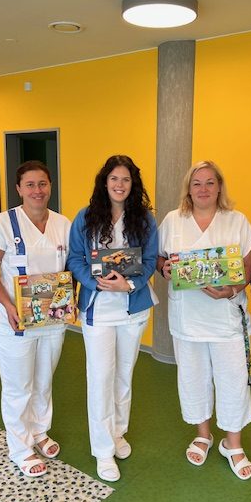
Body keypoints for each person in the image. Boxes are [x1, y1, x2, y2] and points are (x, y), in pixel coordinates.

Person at [158, 161, 251, 480]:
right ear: (188, 188)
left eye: (210, 182)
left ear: (219, 186)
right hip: (187, 318)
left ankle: (233, 443)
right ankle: (203, 435)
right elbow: (158, 258)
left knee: (233, 380)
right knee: (193, 377)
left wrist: (233, 289)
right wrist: (164, 269)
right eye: (196, 183)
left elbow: (249, 265)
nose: (203, 189)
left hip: (226, 318)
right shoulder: (173, 220)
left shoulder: (236, 220)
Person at [67, 155, 158, 482]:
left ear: (133, 184)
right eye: (114, 178)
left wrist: (129, 284)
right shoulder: (85, 217)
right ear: (104, 182)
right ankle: (103, 450)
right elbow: (75, 258)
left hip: (132, 309)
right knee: (101, 378)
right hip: (98, 310)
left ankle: (118, 432)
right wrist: (95, 283)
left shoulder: (144, 219)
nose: (119, 185)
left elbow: (150, 260)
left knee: (123, 376)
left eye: (126, 179)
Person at [0, 160, 71, 478]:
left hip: (52, 319)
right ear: (19, 189)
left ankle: (39, 431)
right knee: (19, 386)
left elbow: (69, 269)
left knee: (44, 381)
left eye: (42, 183)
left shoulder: (63, 224)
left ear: (50, 186)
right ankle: (20, 447)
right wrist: (7, 305)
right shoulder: (3, 224)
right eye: (30, 184)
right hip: (15, 322)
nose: (37, 190)